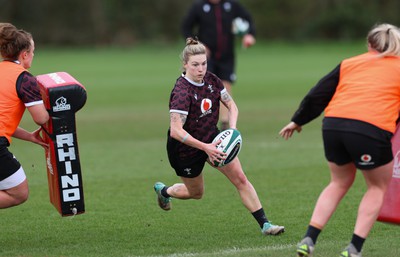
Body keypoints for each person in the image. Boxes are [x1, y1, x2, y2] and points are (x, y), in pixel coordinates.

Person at [279, 23, 400, 257]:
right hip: (370, 130)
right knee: (377, 187)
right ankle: (354, 248)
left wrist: (298, 120)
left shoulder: (350, 63)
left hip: (333, 125)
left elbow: (318, 94)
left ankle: (308, 240)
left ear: (368, 44)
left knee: (338, 182)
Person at [154, 37, 284, 236]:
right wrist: (205, 148)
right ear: (185, 64)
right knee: (196, 193)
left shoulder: (212, 80)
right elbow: (176, 131)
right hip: (185, 149)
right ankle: (165, 191)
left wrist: (232, 130)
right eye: (195, 65)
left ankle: (265, 225)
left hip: (213, 139)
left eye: (204, 63)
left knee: (240, 179)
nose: (201, 69)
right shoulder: (181, 91)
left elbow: (231, 105)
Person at [181, 0, 256, 130]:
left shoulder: (231, 5)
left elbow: (248, 19)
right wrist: (197, 44)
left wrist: (249, 35)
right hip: (206, 57)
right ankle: (202, 120)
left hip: (227, 55)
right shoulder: (199, 6)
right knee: (206, 86)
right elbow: (185, 27)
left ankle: (225, 122)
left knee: (225, 85)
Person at [0, 23, 49, 209]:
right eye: (33, 51)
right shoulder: (24, 78)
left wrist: (29, 136)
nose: (34, 55)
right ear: (24, 54)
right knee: (18, 193)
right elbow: (41, 118)